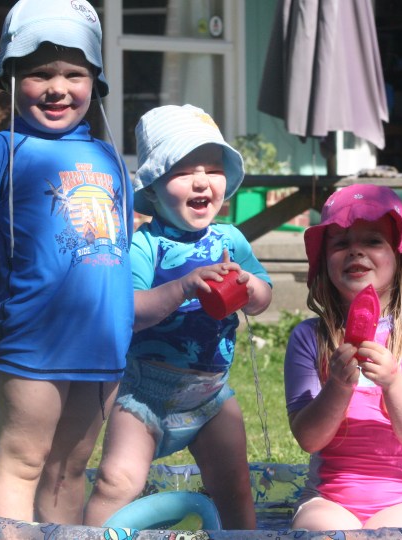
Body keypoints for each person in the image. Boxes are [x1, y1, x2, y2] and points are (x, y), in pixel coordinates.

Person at [0, 0, 133, 524]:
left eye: (75, 74)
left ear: (96, 82)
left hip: (103, 342)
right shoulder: (0, 153)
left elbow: (116, 251)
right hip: (32, 342)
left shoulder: (109, 157)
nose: (58, 88)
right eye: (40, 73)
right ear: (10, 77)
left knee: (71, 466)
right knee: (23, 460)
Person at [83, 104, 273, 530]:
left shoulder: (231, 239)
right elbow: (128, 312)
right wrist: (186, 285)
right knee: (117, 481)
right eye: (185, 171)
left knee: (234, 485)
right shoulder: (145, 244)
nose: (202, 181)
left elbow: (263, 298)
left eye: (212, 169)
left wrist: (248, 285)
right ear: (152, 187)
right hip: (144, 392)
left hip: (210, 395)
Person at [284, 184, 402, 531]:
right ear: (323, 260)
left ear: (400, 255)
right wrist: (337, 387)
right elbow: (309, 439)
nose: (355, 252)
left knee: (391, 536)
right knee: (325, 533)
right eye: (341, 243)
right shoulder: (309, 338)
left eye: (373, 241)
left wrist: (393, 382)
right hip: (328, 498)